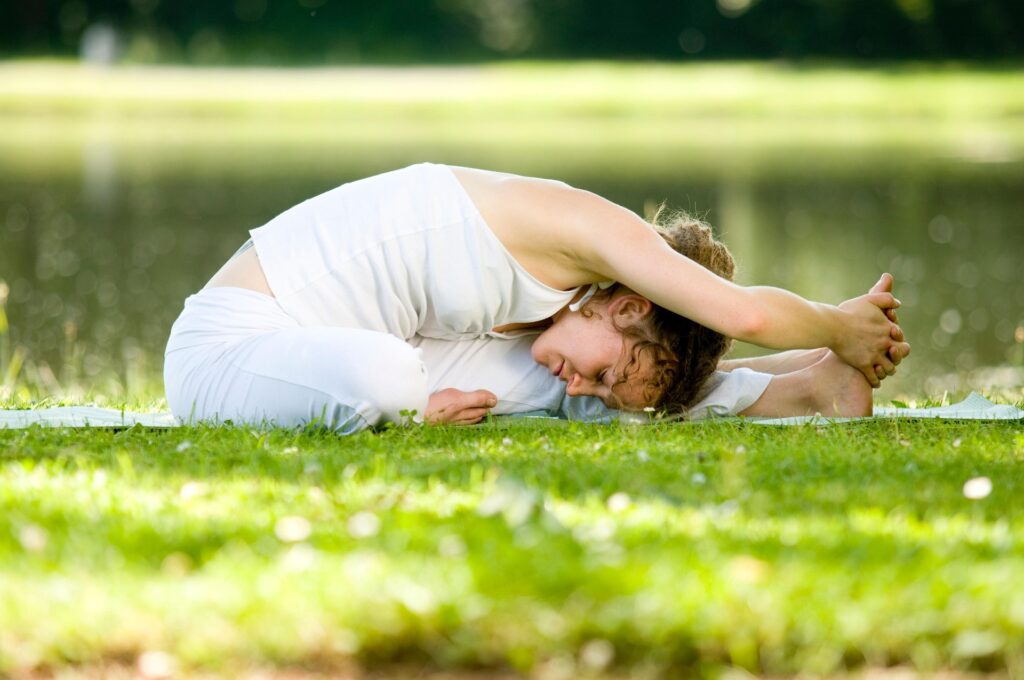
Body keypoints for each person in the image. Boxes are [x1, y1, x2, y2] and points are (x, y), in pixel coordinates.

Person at [164, 163, 908, 431]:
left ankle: (810, 387)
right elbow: (741, 313)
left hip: (332, 348)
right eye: (608, 369)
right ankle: (825, 357)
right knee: (390, 379)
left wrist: (825, 356)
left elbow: (647, 367)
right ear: (630, 305)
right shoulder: (588, 228)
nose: (582, 380)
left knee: (568, 397)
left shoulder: (573, 310)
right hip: (233, 348)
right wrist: (841, 323)